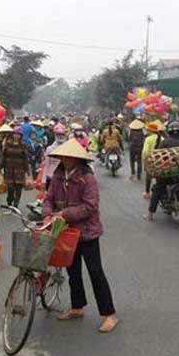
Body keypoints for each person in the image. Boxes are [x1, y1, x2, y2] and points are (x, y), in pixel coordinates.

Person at [42, 139, 118, 333]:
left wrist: (64, 214)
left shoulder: (87, 178)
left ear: (76, 159)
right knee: (72, 271)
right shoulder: (58, 175)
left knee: (95, 272)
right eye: (62, 156)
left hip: (87, 232)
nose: (64, 159)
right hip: (65, 232)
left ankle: (109, 314)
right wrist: (47, 214)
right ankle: (77, 307)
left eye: (67, 157)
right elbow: (48, 198)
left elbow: (90, 206)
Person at [145, 121, 179, 220]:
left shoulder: (165, 142)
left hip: (168, 173)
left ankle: (150, 214)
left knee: (157, 189)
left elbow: (159, 157)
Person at [0, 128, 30, 208]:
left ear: (20, 136)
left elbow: (25, 160)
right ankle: (9, 201)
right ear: (12, 135)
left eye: (18, 134)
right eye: (15, 134)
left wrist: (27, 173)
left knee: (18, 188)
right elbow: (3, 157)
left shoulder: (23, 145)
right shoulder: (8, 144)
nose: (16, 136)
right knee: (10, 188)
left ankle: (16, 204)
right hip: (9, 169)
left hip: (20, 170)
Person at [142, 121, 164, 198]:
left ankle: (147, 192)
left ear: (150, 131)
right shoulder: (162, 138)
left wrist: (144, 160)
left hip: (151, 161)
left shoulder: (148, 139)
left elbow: (145, 152)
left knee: (149, 177)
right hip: (161, 161)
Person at [42, 123, 68, 189]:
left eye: (62, 134)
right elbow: (46, 166)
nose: (60, 136)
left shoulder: (69, 148)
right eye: (58, 134)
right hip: (51, 177)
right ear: (55, 135)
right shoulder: (49, 149)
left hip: (66, 178)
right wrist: (43, 181)